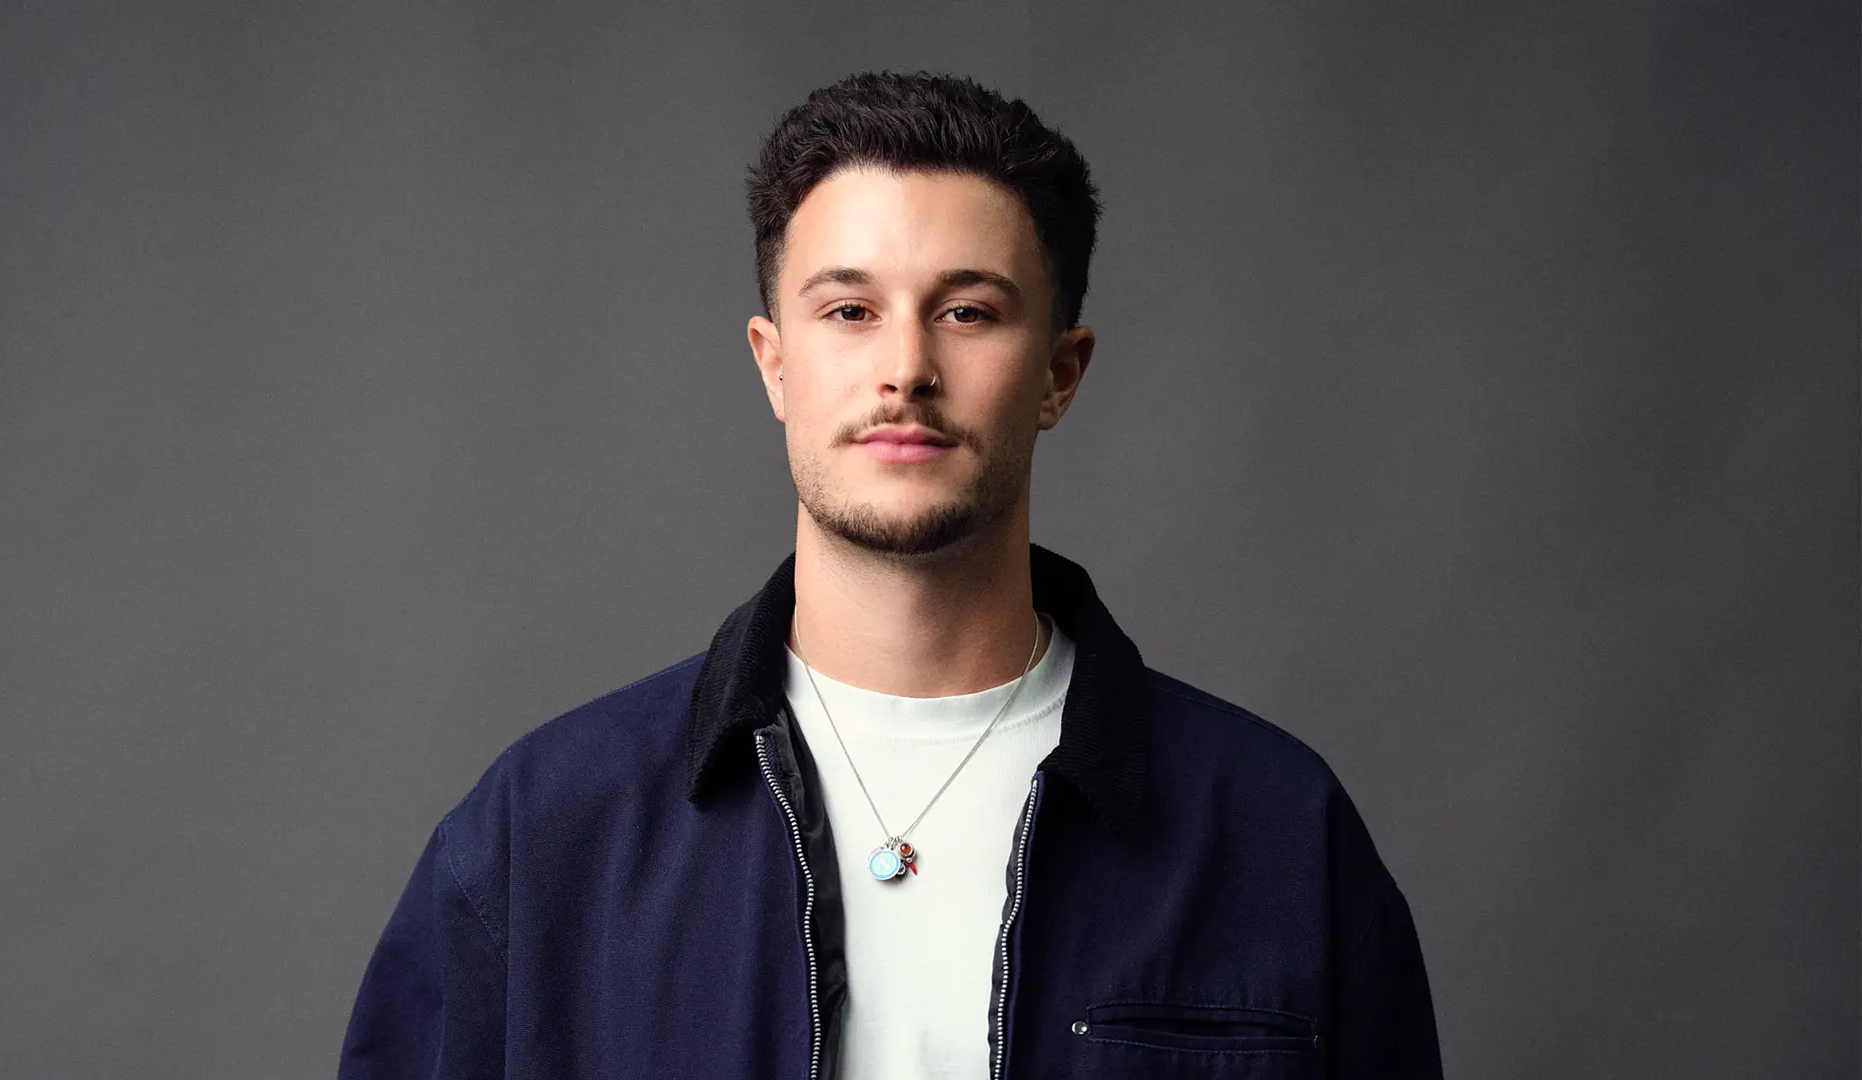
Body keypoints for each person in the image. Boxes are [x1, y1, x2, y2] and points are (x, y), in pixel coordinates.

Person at [338, 70, 1443, 1080]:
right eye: (850, 311)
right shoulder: (545, 834)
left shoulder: (1277, 831)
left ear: (1059, 374)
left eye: (968, 312)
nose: (906, 369)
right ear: (775, 363)